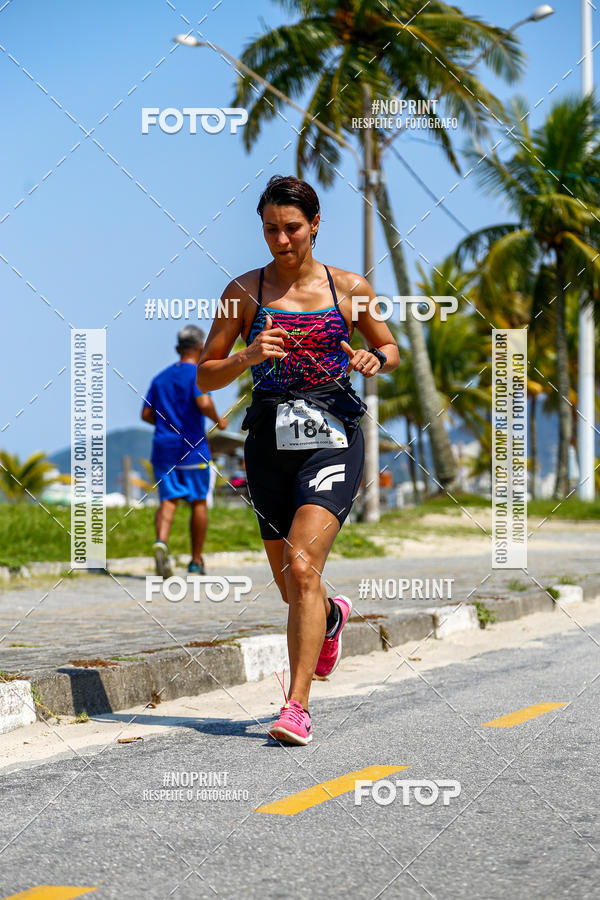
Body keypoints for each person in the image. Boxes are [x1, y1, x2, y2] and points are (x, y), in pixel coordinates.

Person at [196, 175, 399, 744]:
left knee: (304, 569)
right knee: (293, 588)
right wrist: (247, 355)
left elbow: (390, 347)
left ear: (313, 226)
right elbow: (206, 371)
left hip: (333, 438)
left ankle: (296, 706)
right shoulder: (243, 292)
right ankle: (331, 617)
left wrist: (372, 358)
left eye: (291, 228)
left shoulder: (350, 288)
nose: (280, 240)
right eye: (270, 229)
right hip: (267, 443)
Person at [141, 325, 228, 578]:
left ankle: (161, 542)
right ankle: (196, 560)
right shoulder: (197, 375)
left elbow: (147, 414)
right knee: (198, 502)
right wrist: (218, 419)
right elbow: (202, 402)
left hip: (163, 449)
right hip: (193, 449)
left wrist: (168, 424)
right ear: (201, 347)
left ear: (178, 348)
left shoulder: (160, 378)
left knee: (168, 501)